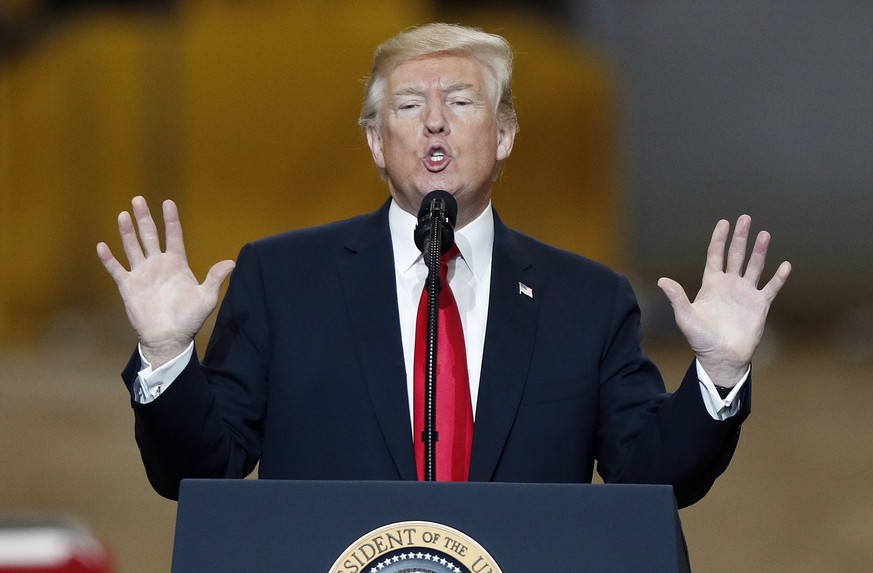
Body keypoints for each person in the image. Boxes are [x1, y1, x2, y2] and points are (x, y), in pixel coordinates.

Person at [96, 23, 791, 505]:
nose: (434, 121)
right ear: (375, 140)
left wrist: (717, 375)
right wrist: (165, 357)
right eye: (407, 105)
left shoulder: (587, 299)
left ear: (505, 133)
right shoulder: (283, 281)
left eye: (460, 102)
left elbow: (651, 475)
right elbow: (200, 468)